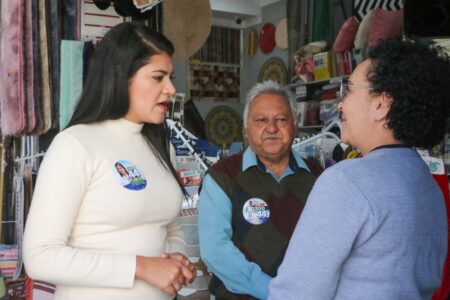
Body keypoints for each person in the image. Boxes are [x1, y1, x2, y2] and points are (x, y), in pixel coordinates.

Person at [23, 22, 195, 300]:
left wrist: (176, 256)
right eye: (158, 77)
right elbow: (40, 257)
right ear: (121, 77)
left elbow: (169, 225)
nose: (171, 89)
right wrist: (140, 267)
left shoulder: (161, 146)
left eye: (170, 77)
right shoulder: (75, 145)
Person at [269, 38, 450, 300]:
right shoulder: (427, 184)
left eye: (348, 90)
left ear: (381, 105)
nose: (340, 104)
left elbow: (297, 292)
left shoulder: (346, 182)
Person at [198, 80, 323, 299]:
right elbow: (215, 251)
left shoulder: (317, 175)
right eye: (261, 120)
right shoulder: (222, 176)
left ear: (295, 124)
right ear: (247, 128)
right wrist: (274, 292)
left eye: (281, 119)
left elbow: (328, 241)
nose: (272, 128)